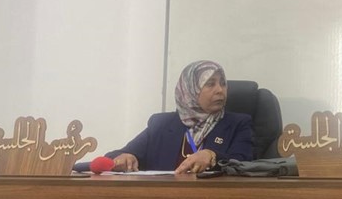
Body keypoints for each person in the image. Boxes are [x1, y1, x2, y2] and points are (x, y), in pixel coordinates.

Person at [108, 60, 253, 173]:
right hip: (164, 198)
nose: (220, 90)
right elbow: (115, 156)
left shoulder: (238, 124)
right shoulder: (161, 124)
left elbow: (245, 163)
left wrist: (212, 156)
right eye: (210, 84)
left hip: (215, 198)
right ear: (190, 89)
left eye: (223, 83)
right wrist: (124, 158)